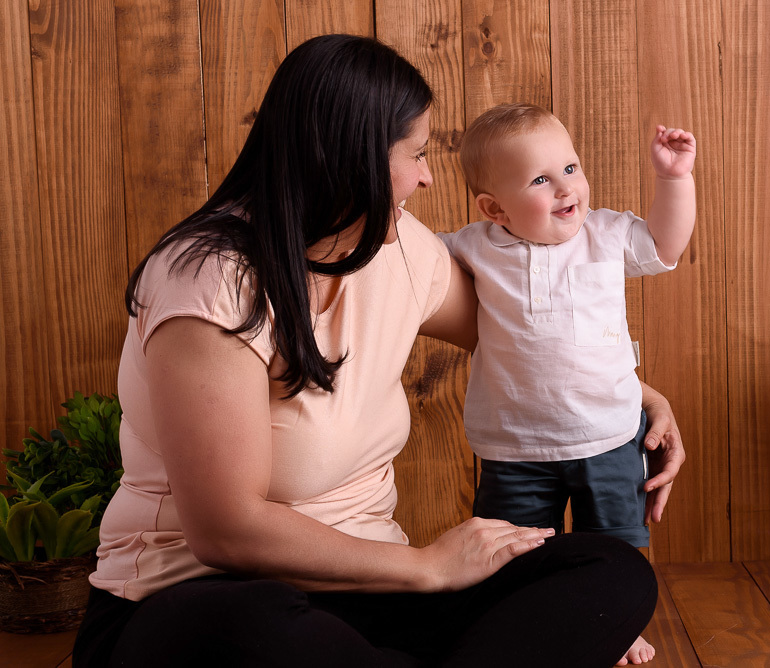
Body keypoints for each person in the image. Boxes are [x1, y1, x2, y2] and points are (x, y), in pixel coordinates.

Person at [71, 35, 686, 668]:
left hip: (378, 601)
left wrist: (637, 398)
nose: (426, 174)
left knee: (611, 570)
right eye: (417, 153)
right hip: (199, 601)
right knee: (255, 625)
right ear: (352, 155)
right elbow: (226, 530)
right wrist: (424, 566)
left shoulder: (400, 249)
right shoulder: (210, 278)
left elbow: (533, 340)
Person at [439, 103, 696, 665]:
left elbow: (666, 246)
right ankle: (527, 626)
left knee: (616, 546)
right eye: (540, 179)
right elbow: (405, 252)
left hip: (608, 435)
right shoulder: (476, 246)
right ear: (494, 208)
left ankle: (619, 625)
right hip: (513, 447)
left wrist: (673, 179)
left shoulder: (604, 234)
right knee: (518, 552)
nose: (565, 188)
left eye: (570, 168)